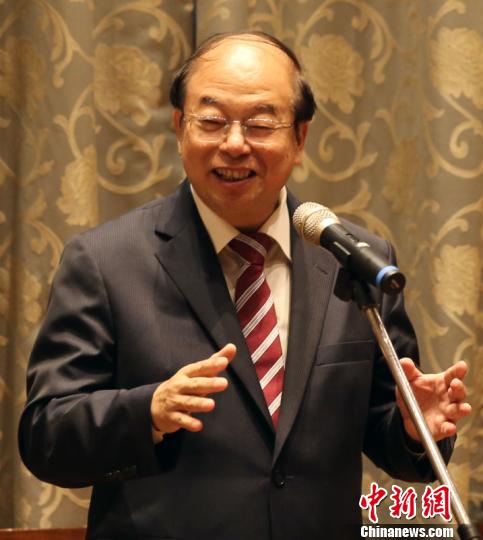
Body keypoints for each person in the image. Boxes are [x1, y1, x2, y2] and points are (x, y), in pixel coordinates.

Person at [18, 31, 471, 540]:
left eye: (259, 123)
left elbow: (387, 433)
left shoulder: (355, 260)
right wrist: (148, 412)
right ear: (179, 127)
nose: (234, 144)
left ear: (300, 138)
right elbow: (46, 435)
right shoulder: (105, 261)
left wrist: (413, 430)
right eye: (212, 121)